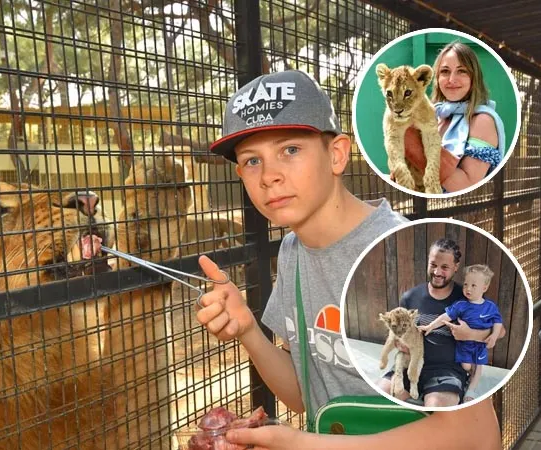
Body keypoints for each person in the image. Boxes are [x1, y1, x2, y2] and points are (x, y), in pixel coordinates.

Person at [195, 70, 503, 450]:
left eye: (290, 150)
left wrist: (304, 444)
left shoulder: (400, 252)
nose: (269, 176)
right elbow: (307, 395)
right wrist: (248, 332)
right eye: (251, 161)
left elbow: (476, 434)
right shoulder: (292, 252)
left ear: (337, 154)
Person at [377, 239, 507, 407]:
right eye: (433, 265)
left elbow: (501, 331)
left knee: (436, 406)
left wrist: (471, 334)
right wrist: (398, 343)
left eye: (444, 267)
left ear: (456, 267)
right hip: (410, 364)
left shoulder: (467, 296)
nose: (437, 272)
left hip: (447, 370)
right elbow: (395, 332)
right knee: (380, 398)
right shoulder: (410, 297)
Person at [402, 41, 507, 193]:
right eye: (445, 71)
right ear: (437, 78)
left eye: (461, 71)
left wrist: (413, 143)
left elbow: (466, 185)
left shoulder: (482, 120)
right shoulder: (436, 115)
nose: (452, 80)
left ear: (473, 77)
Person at [418, 264, 504, 403]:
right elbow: (445, 316)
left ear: (485, 288)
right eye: (466, 284)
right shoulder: (460, 305)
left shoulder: (490, 307)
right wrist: (430, 326)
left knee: (477, 366)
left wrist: (493, 336)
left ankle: (471, 390)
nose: (468, 288)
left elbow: (498, 322)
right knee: (466, 366)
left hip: (480, 345)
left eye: (473, 285)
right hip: (464, 345)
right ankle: (468, 378)